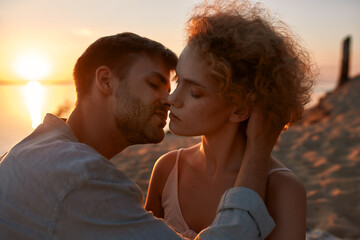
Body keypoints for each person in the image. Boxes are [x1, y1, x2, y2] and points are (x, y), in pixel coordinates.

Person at [0, 32, 276, 239]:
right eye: (154, 84)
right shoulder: (80, 175)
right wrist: (259, 152)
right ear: (106, 80)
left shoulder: (33, 150)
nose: (168, 100)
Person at [145, 1, 315, 239]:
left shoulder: (283, 189)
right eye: (178, 82)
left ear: (240, 109)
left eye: (195, 92)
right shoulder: (167, 168)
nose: (172, 99)